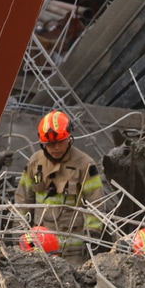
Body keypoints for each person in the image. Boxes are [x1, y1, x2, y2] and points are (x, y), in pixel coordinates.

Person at [14, 111, 104, 265]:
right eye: (49, 144)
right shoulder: (36, 162)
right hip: (40, 245)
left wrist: (92, 237)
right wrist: (19, 232)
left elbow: (96, 202)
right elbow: (23, 199)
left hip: (72, 249)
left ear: (69, 138)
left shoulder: (84, 164)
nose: (55, 148)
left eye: (59, 142)